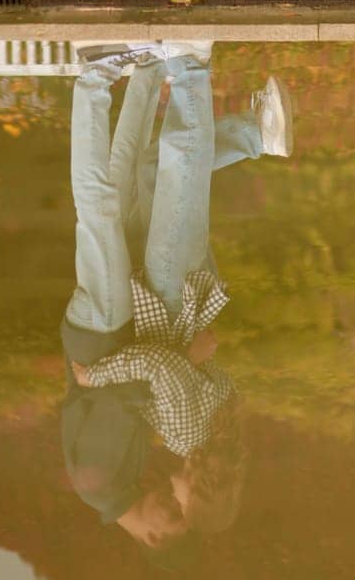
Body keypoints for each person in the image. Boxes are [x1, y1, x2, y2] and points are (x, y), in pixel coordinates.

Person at [60, 41, 293, 556]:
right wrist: (99, 376)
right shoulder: (188, 437)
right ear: (196, 499)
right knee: (174, 178)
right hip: (166, 302)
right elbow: (161, 370)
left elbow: (202, 367)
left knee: (153, 175)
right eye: (180, 505)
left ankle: (255, 134)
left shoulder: (218, 428)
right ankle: (188, 66)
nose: (170, 491)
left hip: (185, 300)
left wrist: (187, 363)